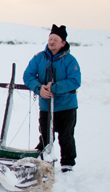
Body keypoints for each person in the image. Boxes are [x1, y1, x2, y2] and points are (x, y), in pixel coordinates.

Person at [23, 24, 81, 172]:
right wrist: (39, 88)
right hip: (45, 106)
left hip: (66, 106)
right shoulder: (39, 58)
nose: (52, 42)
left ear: (63, 43)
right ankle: (39, 161)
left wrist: (54, 88)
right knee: (45, 137)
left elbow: (75, 81)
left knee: (66, 136)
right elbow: (28, 75)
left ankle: (67, 164)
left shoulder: (70, 60)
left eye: (55, 39)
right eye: (50, 39)